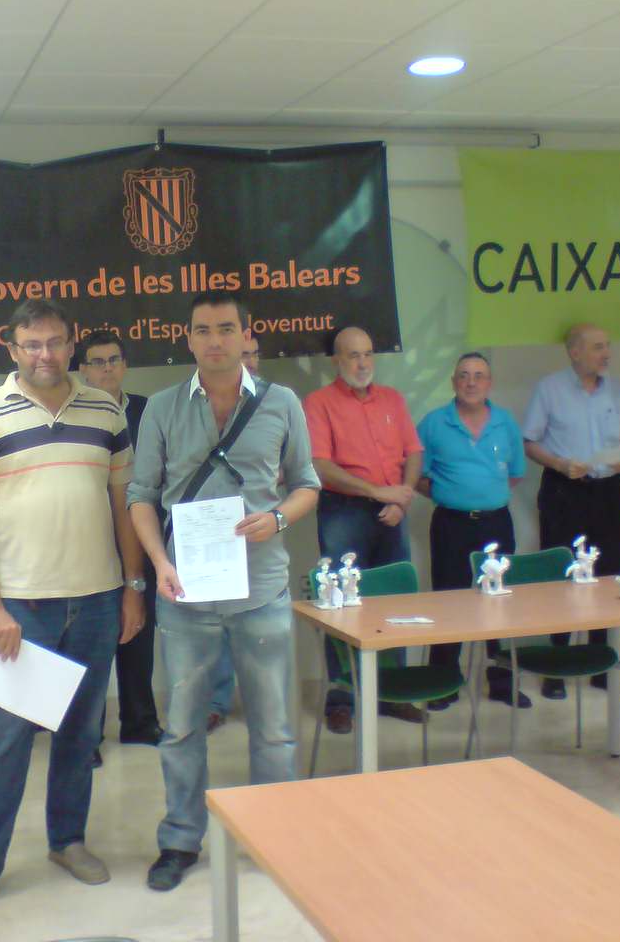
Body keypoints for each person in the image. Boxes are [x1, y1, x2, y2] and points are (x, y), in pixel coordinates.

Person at [0, 299, 146, 923]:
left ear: (71, 343)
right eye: (32, 344)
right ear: (12, 347)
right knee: (5, 741)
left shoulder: (105, 410)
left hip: (97, 600)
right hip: (23, 610)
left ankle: (67, 841)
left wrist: (132, 587)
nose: (45, 354)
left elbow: (124, 504)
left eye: (55, 342)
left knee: (81, 734)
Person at [128, 290, 319, 892]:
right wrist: (159, 562)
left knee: (274, 727)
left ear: (245, 335)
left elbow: (307, 484)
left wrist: (279, 519)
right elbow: (141, 496)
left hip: (260, 590)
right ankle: (181, 839)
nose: (215, 340)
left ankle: (278, 838)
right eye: (203, 330)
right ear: (188, 339)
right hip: (184, 594)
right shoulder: (162, 408)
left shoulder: (282, 403)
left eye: (226, 328)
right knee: (182, 728)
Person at [303, 325, 424, 731]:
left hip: (392, 511)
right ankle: (342, 699)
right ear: (336, 360)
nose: (362, 363)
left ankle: (391, 692)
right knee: (339, 602)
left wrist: (402, 496)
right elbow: (320, 466)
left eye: (368, 354)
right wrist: (378, 492)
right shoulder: (319, 403)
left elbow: (414, 452)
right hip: (345, 510)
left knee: (393, 601)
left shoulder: (392, 399)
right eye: (353, 355)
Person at [522, 324, 620, 700]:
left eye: (607, 346)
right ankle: (556, 665)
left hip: (609, 491)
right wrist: (560, 464)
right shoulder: (549, 389)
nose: (606, 354)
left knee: (611, 576)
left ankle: (601, 663)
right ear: (574, 352)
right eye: (597, 347)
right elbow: (529, 441)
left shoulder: (617, 389)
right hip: (565, 490)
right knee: (562, 575)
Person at [417, 352, 528, 708]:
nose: (471, 382)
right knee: (448, 601)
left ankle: (502, 682)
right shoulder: (434, 423)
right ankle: (443, 683)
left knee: (499, 601)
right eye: (464, 375)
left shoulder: (505, 422)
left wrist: (485, 496)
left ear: (489, 383)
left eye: (479, 375)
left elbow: (515, 473)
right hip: (451, 524)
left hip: (496, 523)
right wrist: (452, 494)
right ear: (453, 382)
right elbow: (415, 474)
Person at [78, 329, 163, 750]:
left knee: (139, 633)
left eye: (113, 360)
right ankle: (87, 736)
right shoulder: (74, 416)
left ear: (125, 365)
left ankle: (140, 723)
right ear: (83, 370)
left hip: (143, 537)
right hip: (90, 543)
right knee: (89, 644)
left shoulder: (149, 411)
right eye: (97, 361)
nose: (107, 368)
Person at [206, 334, 262, 731]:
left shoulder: (277, 403)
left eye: (254, 355)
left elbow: (295, 471)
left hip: (261, 534)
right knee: (218, 621)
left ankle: (261, 701)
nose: (249, 362)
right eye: (243, 355)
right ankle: (216, 701)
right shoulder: (199, 404)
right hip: (212, 532)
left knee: (258, 622)